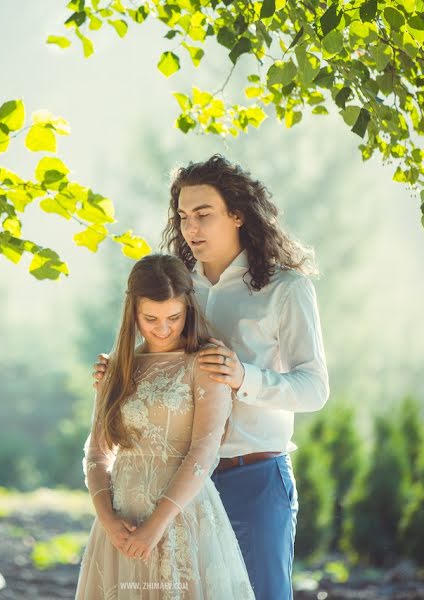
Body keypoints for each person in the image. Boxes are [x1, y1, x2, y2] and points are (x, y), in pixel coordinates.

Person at [95, 155, 329, 600]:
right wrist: (119, 371)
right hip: (175, 486)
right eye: (183, 217)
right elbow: (146, 349)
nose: (190, 228)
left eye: (204, 214)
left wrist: (245, 376)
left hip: (254, 477)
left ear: (238, 214)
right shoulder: (178, 285)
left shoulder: (286, 289)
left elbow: (315, 388)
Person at [75, 254, 255, 599]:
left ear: (188, 308)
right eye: (150, 318)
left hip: (181, 519)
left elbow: (203, 451)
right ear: (133, 314)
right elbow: (97, 452)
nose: (163, 328)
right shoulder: (115, 369)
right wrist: (109, 520)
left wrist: (156, 526)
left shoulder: (206, 361)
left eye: (174, 317)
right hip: (119, 521)